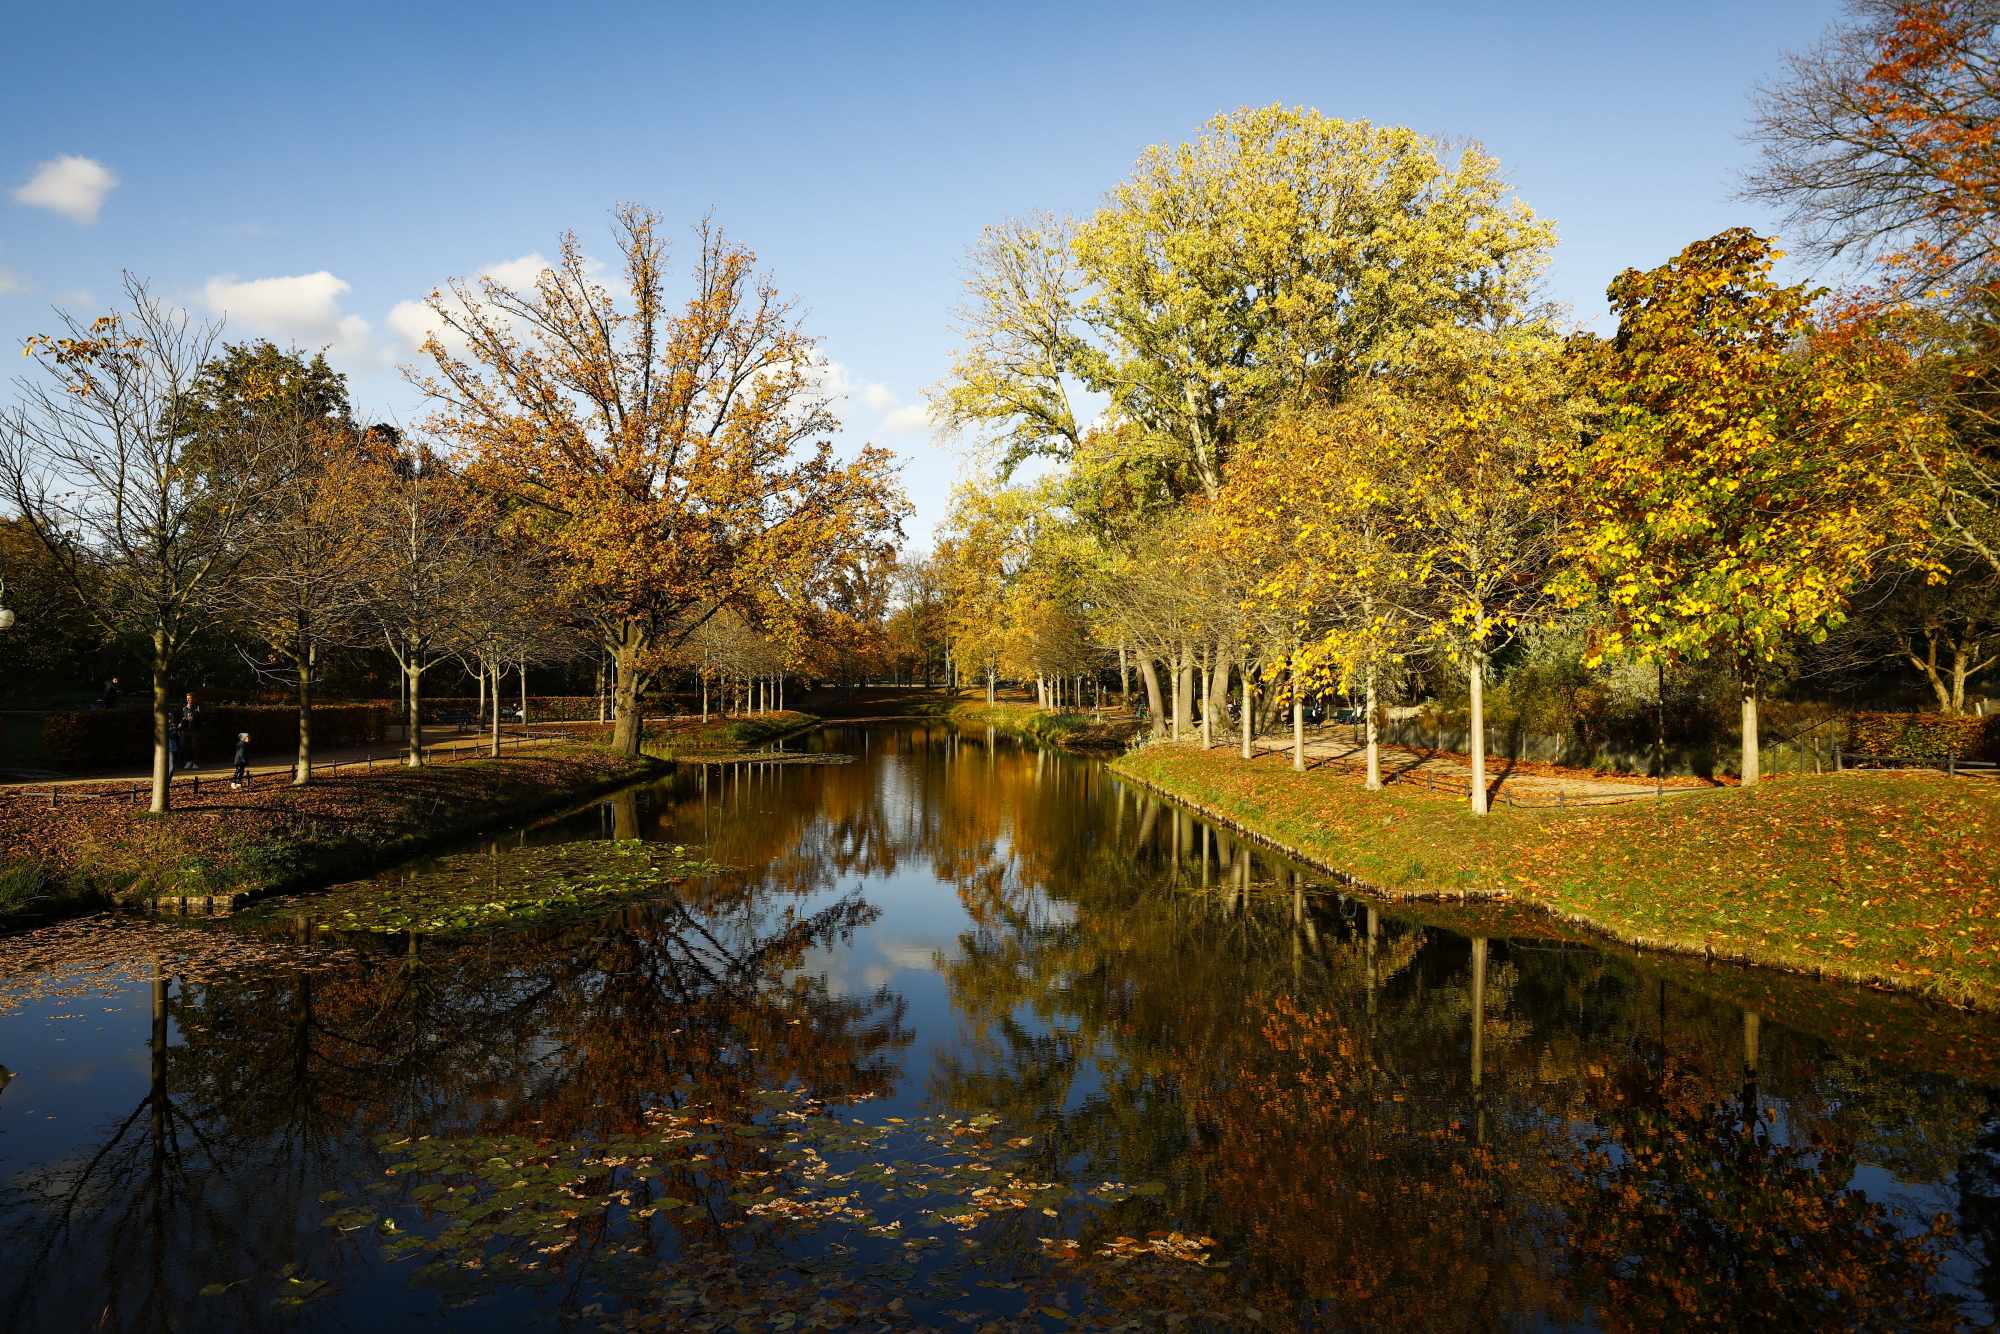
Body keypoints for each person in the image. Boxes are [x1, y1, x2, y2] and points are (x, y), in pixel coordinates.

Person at [181, 694, 200, 769]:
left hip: (194, 730)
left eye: (190, 698)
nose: (188, 700)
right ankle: (189, 761)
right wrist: (184, 720)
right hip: (186, 730)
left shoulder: (196, 708)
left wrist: (194, 717)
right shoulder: (184, 708)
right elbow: (181, 718)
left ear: (193, 699)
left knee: (194, 747)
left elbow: (200, 718)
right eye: (187, 698)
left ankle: (195, 762)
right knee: (186, 746)